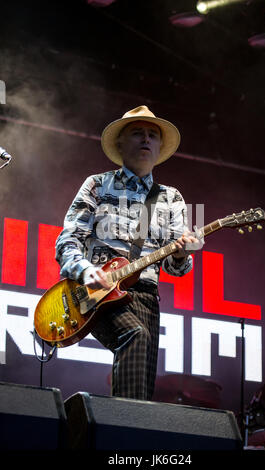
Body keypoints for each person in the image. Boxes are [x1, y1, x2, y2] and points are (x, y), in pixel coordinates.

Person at [55, 105, 199, 401]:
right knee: (135, 336)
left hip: (146, 297)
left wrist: (183, 255)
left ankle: (127, 441)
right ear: (120, 143)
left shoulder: (171, 198)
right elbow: (67, 241)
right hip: (96, 292)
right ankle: (120, 436)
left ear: (159, 147)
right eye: (137, 133)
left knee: (141, 388)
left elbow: (176, 269)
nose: (146, 139)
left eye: (152, 135)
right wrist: (85, 270)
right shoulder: (97, 185)